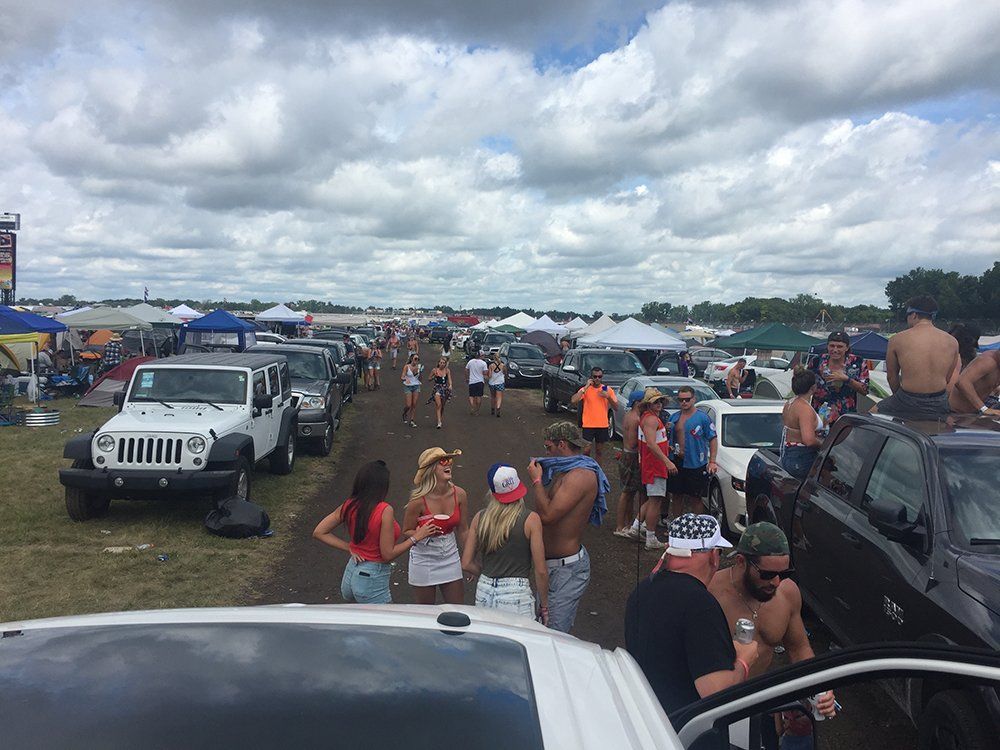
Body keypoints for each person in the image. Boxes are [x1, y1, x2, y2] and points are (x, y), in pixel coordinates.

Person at [709, 522, 838, 732]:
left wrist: (819, 688)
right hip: (717, 705)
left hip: (760, 702)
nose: (776, 582)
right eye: (767, 574)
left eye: (784, 573)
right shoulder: (711, 593)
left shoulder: (787, 594)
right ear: (741, 562)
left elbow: (799, 649)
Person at [625, 513, 759, 714]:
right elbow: (715, 692)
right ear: (713, 556)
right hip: (683, 731)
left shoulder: (642, 589)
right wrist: (744, 661)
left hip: (646, 714)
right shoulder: (700, 605)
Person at [312, 460, 441, 604]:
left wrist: (350, 547)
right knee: (388, 623)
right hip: (372, 578)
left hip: (350, 574)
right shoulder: (384, 510)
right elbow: (387, 555)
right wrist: (416, 537)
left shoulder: (349, 505)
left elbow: (319, 531)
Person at [526, 422, 611, 633]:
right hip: (553, 566)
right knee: (542, 627)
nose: (546, 453)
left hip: (567, 570)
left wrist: (537, 481)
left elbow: (547, 516)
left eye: (549, 447)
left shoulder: (580, 476)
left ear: (562, 444)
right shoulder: (565, 471)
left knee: (553, 633)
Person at [461, 463, 549, 624]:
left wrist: (487, 573)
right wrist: (544, 606)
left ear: (493, 493)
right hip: (516, 593)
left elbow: (466, 563)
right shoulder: (531, 519)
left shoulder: (480, 518)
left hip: (485, 589)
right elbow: (541, 570)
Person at [402, 447, 469, 605]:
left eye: (450, 460)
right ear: (431, 469)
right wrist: (421, 532)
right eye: (443, 461)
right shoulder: (417, 501)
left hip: (450, 555)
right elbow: (406, 531)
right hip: (424, 559)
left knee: (456, 611)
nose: (449, 464)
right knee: (426, 615)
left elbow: (464, 529)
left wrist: (468, 558)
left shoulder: (460, 494)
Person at [876, 295, 960, 419]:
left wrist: (899, 398)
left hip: (908, 398)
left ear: (914, 314)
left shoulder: (897, 339)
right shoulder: (952, 341)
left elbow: (891, 377)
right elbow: (947, 378)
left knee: (869, 415)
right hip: (939, 401)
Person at [634, 388, 678, 550]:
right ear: (648, 404)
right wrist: (667, 461)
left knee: (653, 498)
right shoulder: (651, 420)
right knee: (656, 501)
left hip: (652, 463)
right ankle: (650, 537)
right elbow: (652, 444)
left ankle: (637, 526)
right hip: (655, 465)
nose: (659, 404)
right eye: (655, 402)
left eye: (660, 401)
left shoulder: (649, 418)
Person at [667, 385, 718, 517]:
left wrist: (712, 461)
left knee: (696, 496)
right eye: (680, 400)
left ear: (694, 399)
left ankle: (697, 525)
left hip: (696, 463)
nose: (684, 402)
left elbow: (713, 438)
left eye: (687, 399)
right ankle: (677, 525)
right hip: (677, 462)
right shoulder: (674, 418)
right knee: (677, 495)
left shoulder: (703, 418)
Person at [809, 331, 869, 428]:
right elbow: (806, 386)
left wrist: (847, 380)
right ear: (827, 346)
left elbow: (865, 390)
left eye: (839, 346)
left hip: (845, 418)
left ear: (847, 348)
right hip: (819, 416)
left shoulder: (857, 362)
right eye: (832, 346)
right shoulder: (817, 361)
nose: (835, 350)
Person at [613, 390, 647, 538]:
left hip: (626, 454)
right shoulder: (635, 419)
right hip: (631, 457)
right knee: (627, 492)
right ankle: (620, 526)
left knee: (630, 493)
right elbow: (633, 443)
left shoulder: (630, 415)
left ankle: (627, 524)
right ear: (637, 402)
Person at [781, 368, 824, 479]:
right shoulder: (805, 409)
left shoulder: (790, 403)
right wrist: (824, 445)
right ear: (813, 387)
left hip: (789, 452)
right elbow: (808, 440)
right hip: (802, 457)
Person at [569, 366, 618, 460]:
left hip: (602, 425)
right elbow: (573, 400)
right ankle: (586, 469)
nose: (597, 379)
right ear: (591, 377)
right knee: (586, 450)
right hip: (588, 425)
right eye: (595, 376)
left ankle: (597, 471)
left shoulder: (607, 389)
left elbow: (616, 407)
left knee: (599, 451)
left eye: (599, 377)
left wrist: (608, 397)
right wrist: (586, 387)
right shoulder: (586, 389)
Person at [950, 349, 1000, 416]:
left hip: (976, 411)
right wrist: (984, 409)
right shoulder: (988, 361)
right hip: (957, 412)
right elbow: (961, 382)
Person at [427, 356, 453, 429]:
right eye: (441, 362)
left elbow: (450, 379)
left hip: (444, 388)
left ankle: (439, 418)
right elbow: (429, 379)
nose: (442, 364)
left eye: (443, 363)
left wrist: (450, 385)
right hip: (437, 388)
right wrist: (433, 377)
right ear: (438, 363)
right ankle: (439, 422)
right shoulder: (434, 370)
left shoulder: (447, 371)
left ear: (445, 364)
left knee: (442, 406)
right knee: (439, 405)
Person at [400, 353, 422, 427]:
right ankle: (405, 412)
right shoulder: (407, 367)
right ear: (411, 359)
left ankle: (412, 420)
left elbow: (420, 379)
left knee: (414, 404)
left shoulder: (418, 367)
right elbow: (402, 376)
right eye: (415, 359)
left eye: (418, 359)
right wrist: (406, 379)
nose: (416, 360)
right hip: (408, 386)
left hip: (416, 386)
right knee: (408, 405)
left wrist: (420, 372)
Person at [466, 350, 488, 415]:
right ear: (481, 356)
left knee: (471, 395)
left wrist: (467, 378)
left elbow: (466, 369)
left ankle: (472, 405)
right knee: (479, 396)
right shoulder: (483, 363)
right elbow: (485, 373)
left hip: (472, 381)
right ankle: (477, 410)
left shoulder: (470, 362)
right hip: (480, 381)